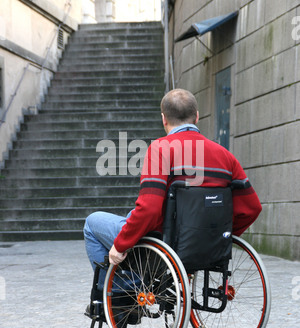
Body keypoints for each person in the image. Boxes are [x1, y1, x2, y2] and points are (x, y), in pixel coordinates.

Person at [84, 89, 262, 282]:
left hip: (164, 242)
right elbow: (252, 208)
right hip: (203, 243)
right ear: (197, 116)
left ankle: (118, 297)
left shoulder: (161, 148)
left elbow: (150, 209)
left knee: (92, 223)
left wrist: (120, 245)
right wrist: (216, 234)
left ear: (163, 119)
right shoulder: (225, 155)